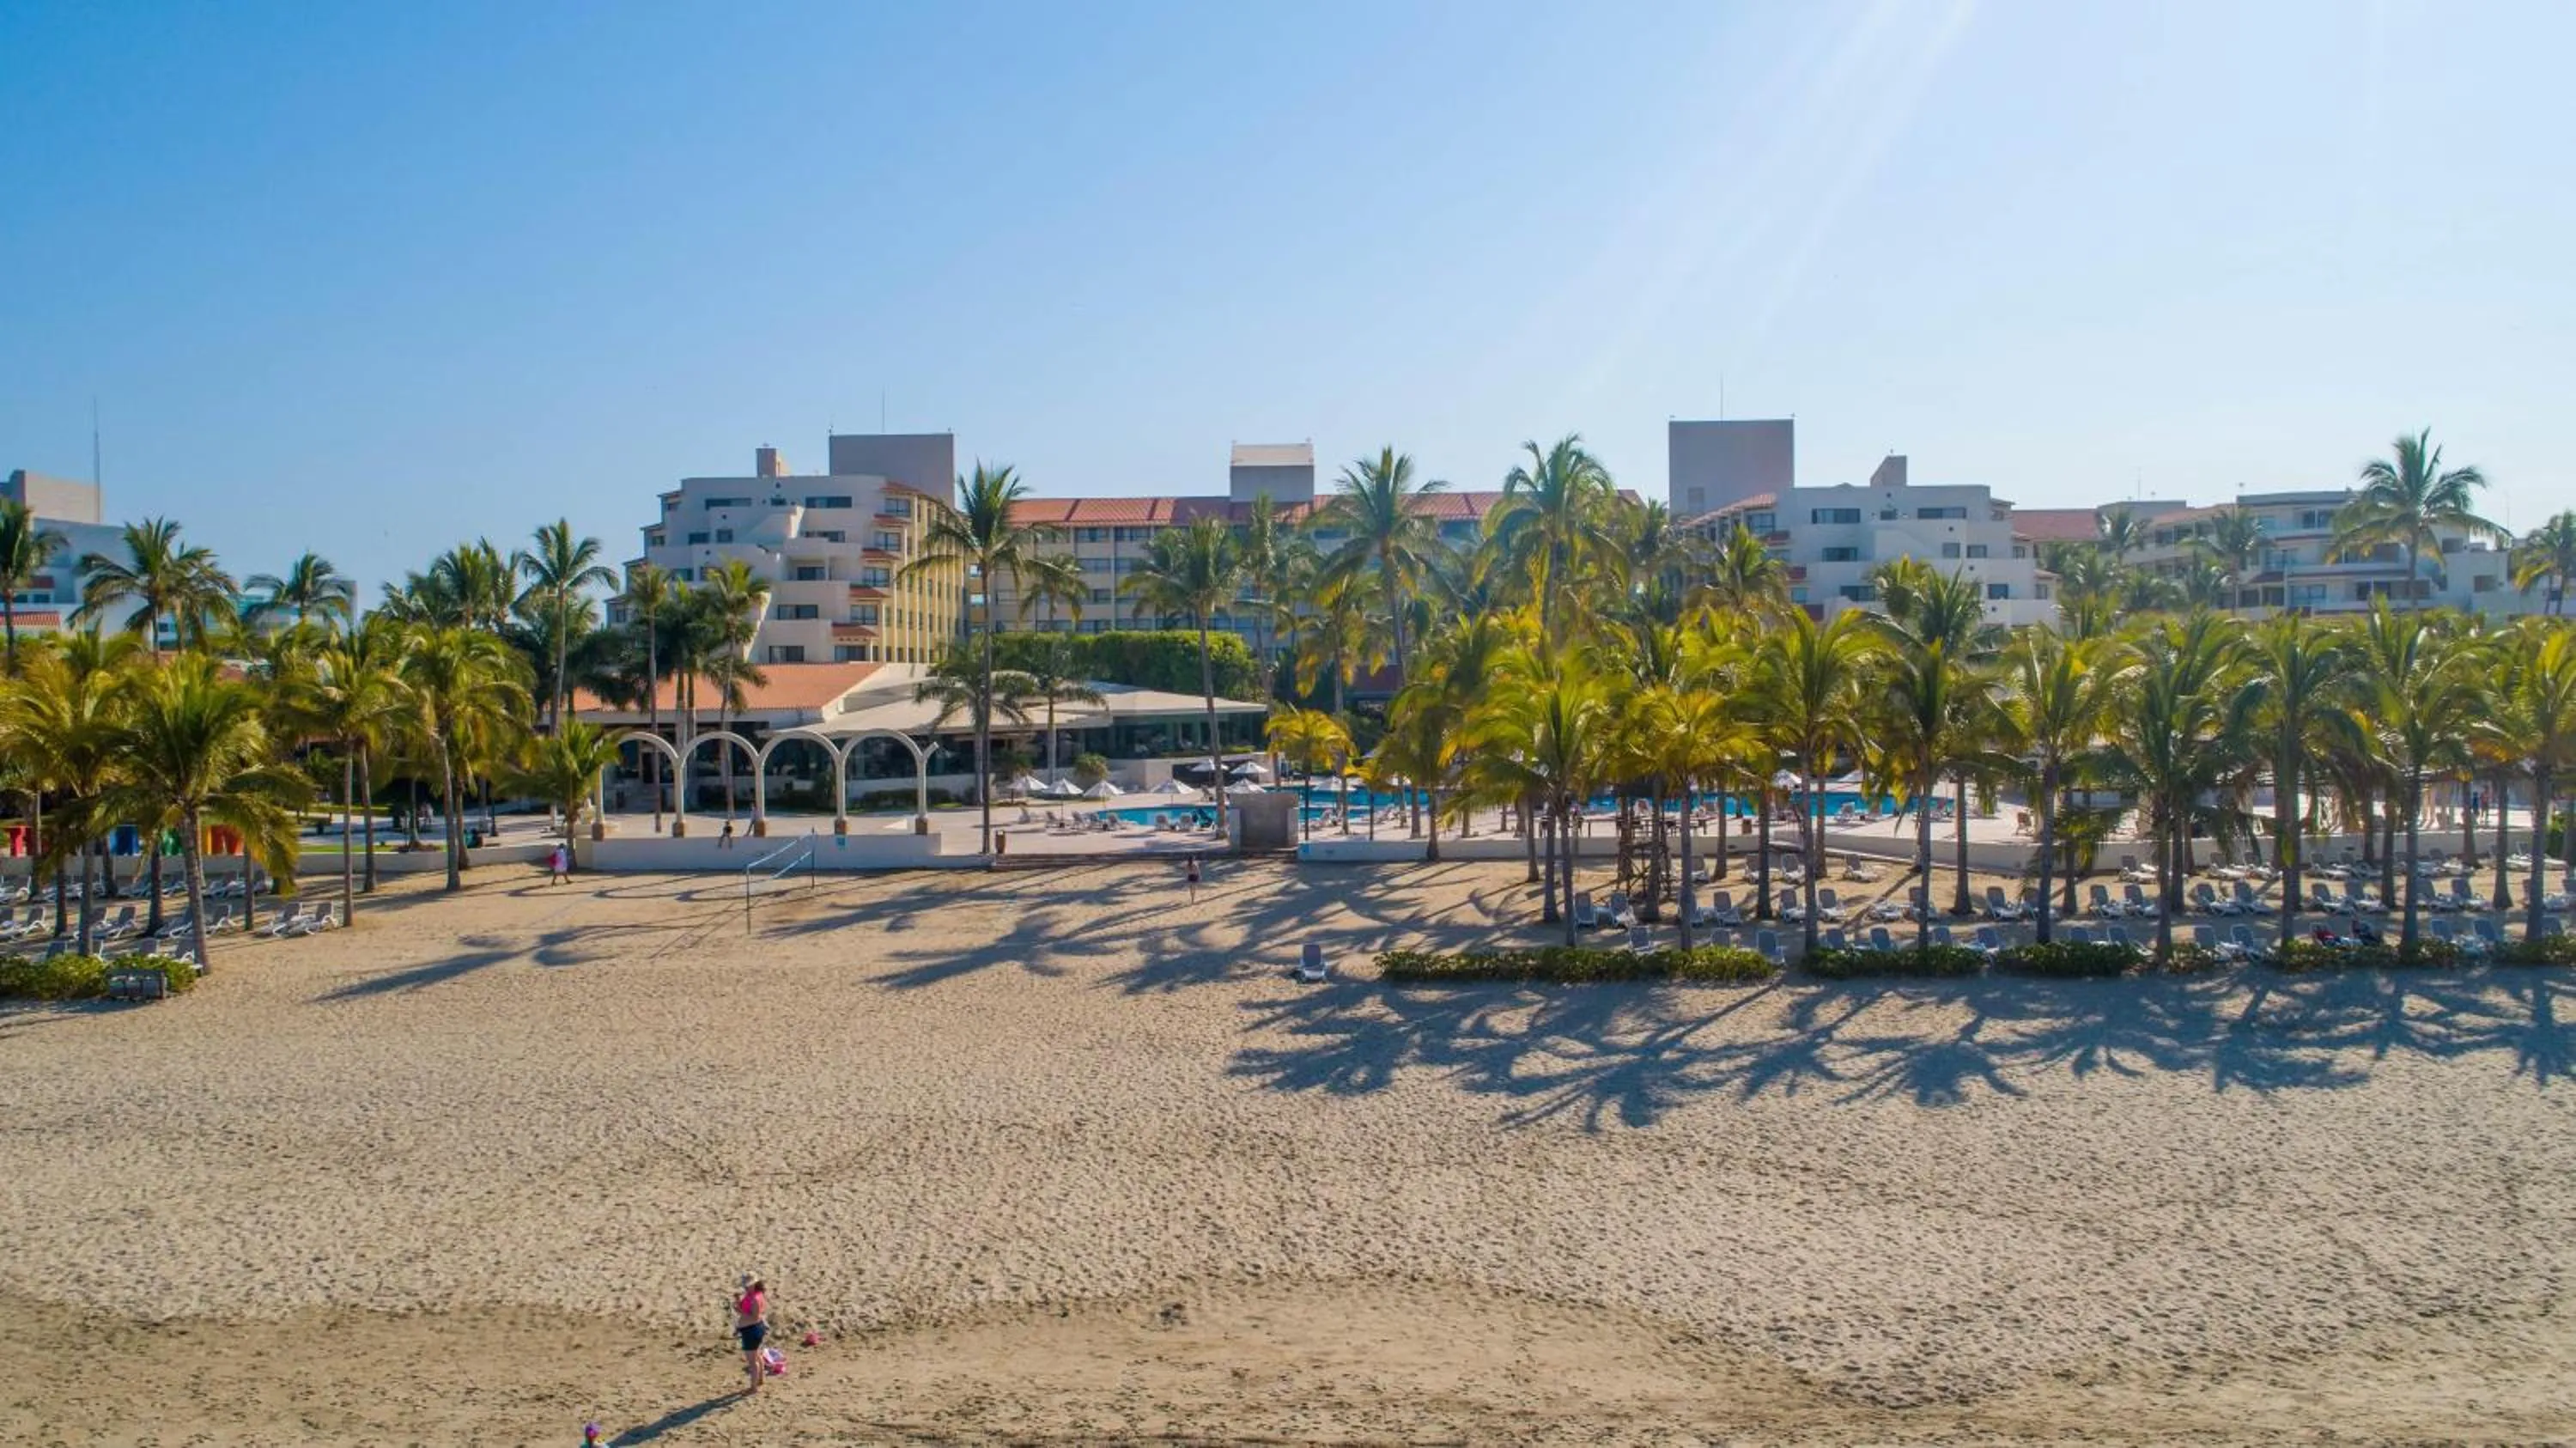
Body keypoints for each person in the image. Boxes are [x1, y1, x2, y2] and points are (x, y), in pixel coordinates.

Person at [733, 1275, 769, 1393]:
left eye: (747, 1285)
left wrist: (741, 1311)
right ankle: (761, 1380)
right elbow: (744, 1311)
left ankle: (754, 1388)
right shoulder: (751, 1295)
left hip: (752, 1330)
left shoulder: (755, 1299)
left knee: (752, 1362)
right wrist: (738, 1302)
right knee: (757, 1355)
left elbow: (755, 1317)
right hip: (750, 1329)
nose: (745, 1287)